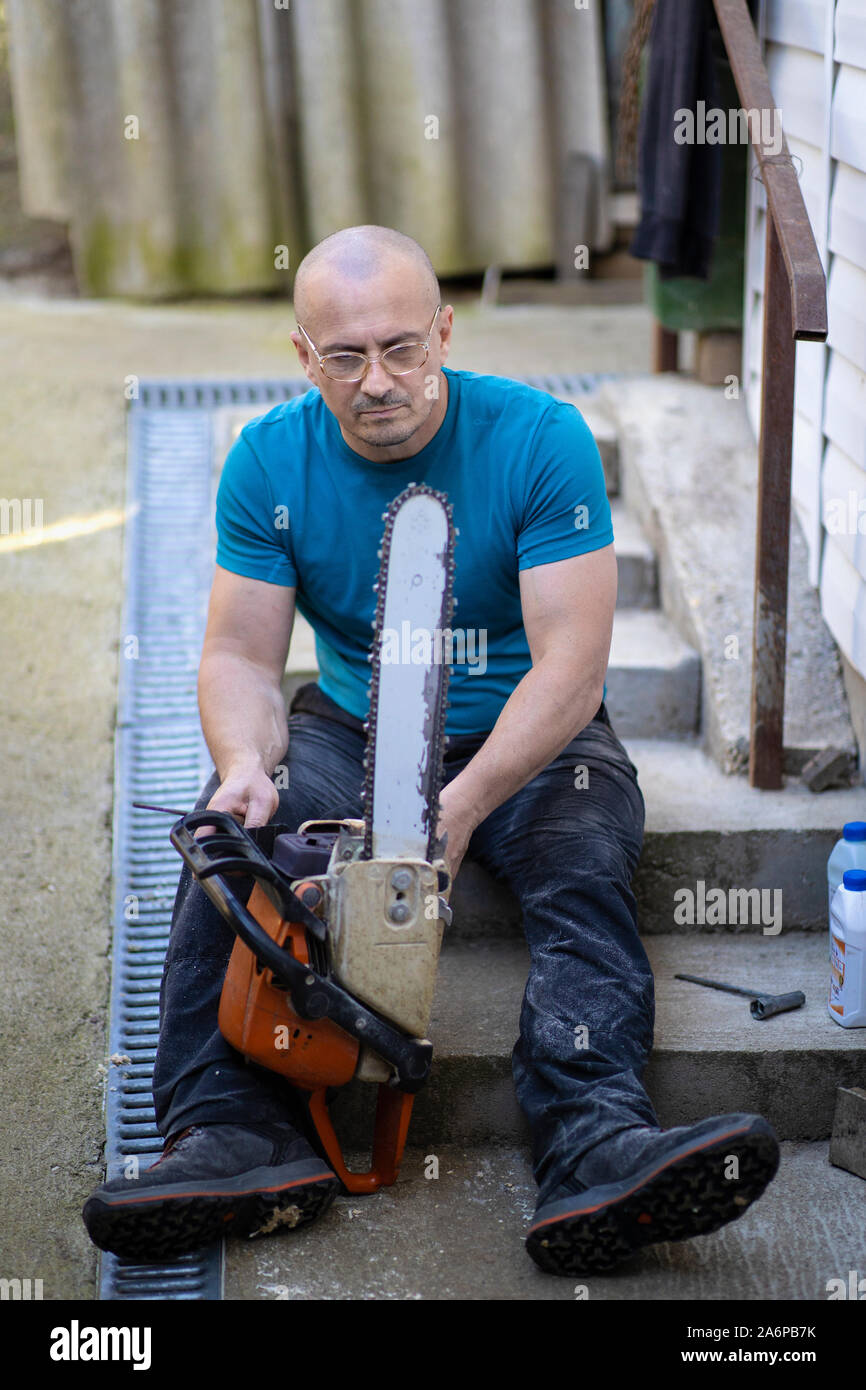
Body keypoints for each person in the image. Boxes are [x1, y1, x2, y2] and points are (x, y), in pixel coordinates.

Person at [83, 225, 779, 1276]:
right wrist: (244, 762)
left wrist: (457, 804)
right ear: (302, 355)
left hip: (531, 732)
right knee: (227, 847)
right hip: (351, 722)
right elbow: (237, 654)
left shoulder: (540, 438)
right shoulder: (269, 459)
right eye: (345, 356)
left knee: (582, 865)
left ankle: (594, 1140)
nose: (377, 381)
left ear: (445, 332)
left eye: (403, 348)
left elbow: (571, 670)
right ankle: (230, 1132)